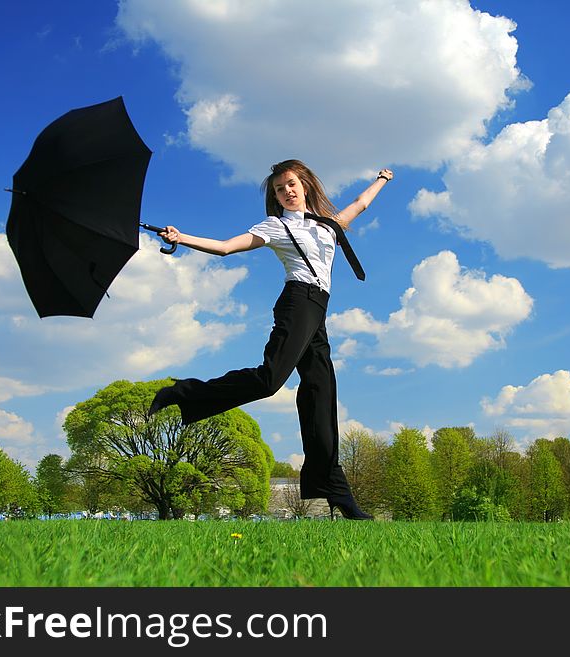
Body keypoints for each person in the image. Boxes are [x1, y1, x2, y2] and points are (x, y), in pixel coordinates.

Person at [148, 159, 393, 520]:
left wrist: (382, 179)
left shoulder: (328, 225)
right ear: (275, 197)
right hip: (297, 304)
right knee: (269, 379)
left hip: (318, 311)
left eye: (291, 184)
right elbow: (226, 247)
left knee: (321, 398)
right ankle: (183, 392)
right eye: (280, 189)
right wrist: (181, 237)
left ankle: (340, 498)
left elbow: (361, 204)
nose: (287, 191)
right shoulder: (276, 226)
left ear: (304, 185)